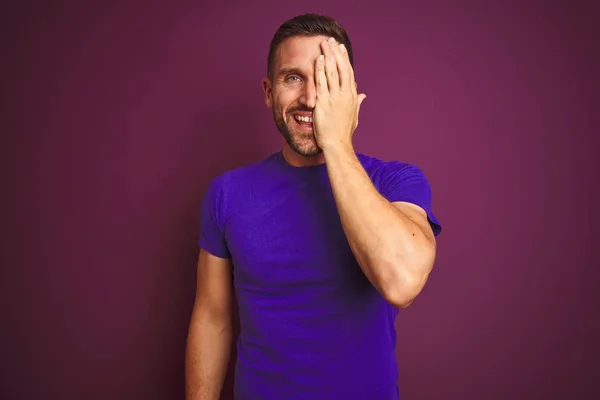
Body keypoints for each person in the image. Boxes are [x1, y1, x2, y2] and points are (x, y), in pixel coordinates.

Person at [185, 13, 442, 400]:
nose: (309, 98)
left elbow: (401, 281)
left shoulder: (396, 182)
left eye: (326, 80)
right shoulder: (227, 193)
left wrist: (337, 142)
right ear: (269, 91)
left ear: (349, 93)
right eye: (293, 78)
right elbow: (212, 318)